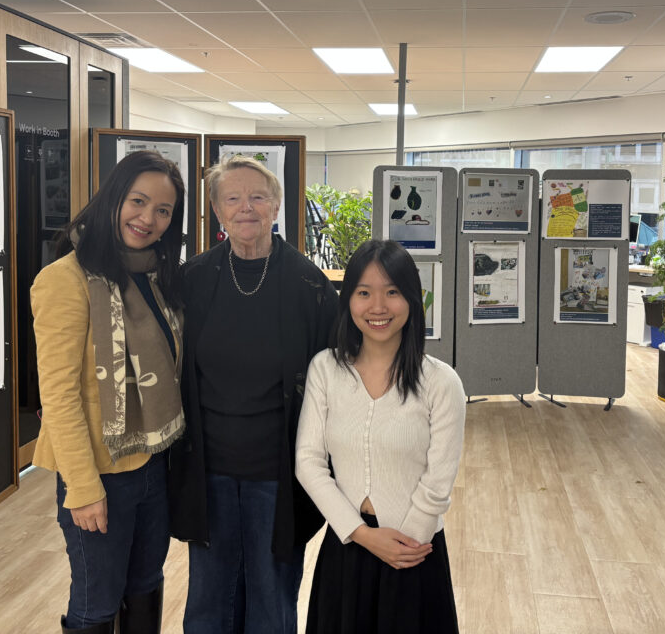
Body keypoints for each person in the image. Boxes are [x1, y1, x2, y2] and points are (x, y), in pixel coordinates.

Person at [168, 155, 338, 634]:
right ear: (217, 211)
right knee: (208, 599)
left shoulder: (311, 286)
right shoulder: (192, 280)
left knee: (271, 597)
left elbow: (334, 382)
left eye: (258, 197)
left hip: (280, 472)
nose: (246, 208)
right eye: (233, 198)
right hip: (208, 469)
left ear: (277, 206)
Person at [31, 150, 186, 634]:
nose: (149, 219)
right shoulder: (65, 280)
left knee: (144, 584)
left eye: (163, 210)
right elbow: (58, 397)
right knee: (97, 600)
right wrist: (82, 487)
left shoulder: (157, 277)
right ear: (113, 198)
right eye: (138, 201)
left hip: (153, 462)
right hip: (99, 472)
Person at [295, 239, 466, 633]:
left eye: (392, 292)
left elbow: (438, 480)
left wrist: (405, 546)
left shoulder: (440, 382)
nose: (378, 307)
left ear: (412, 299)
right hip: (347, 547)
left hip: (414, 554)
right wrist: (361, 535)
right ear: (348, 300)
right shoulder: (326, 369)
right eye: (364, 293)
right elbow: (308, 462)